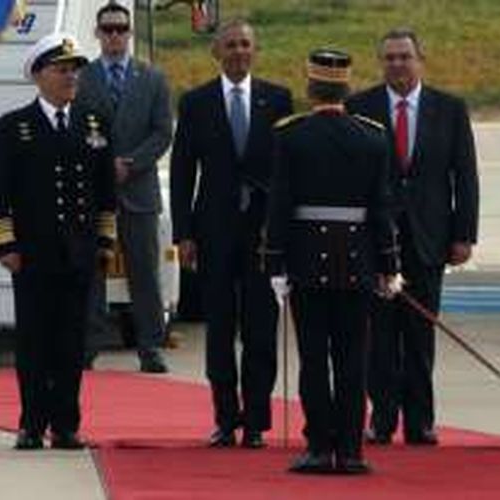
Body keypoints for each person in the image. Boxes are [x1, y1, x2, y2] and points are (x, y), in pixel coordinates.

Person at [265, 49, 400, 474]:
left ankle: (320, 446)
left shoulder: (290, 135)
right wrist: (389, 264)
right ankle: (352, 450)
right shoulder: (373, 136)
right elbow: (381, 207)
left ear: (310, 87)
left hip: (306, 259)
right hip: (357, 260)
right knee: (352, 359)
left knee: (313, 358)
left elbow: (280, 205)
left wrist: (274, 264)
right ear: (347, 89)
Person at [346, 28, 479, 446]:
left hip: (429, 240)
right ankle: (382, 419)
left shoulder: (449, 109)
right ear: (380, 63)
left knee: (420, 336)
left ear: (420, 60)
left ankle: (420, 421)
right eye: (389, 58)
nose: (397, 64)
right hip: (376, 242)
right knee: (379, 337)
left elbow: (465, 177)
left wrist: (464, 235)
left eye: (404, 57)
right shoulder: (359, 107)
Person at [0, 33, 116, 450]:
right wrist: (6, 247)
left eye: (75, 69)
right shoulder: (14, 127)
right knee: (34, 340)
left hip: (78, 253)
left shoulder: (93, 122)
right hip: (33, 254)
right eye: (62, 70)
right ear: (39, 74)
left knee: (71, 341)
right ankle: (31, 422)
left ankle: (65, 424)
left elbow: (105, 189)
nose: (71, 77)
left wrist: (105, 240)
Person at [170, 19, 293, 448]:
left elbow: (286, 172)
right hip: (214, 232)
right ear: (216, 53)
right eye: (231, 45)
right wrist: (183, 233)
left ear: (255, 51)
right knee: (219, 330)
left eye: (245, 45)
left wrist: (284, 231)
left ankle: (256, 420)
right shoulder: (196, 102)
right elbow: (183, 172)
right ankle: (225, 417)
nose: (239, 52)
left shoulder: (277, 99)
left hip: (263, 234)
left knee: (261, 328)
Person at [77, 1, 173, 373]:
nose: (115, 35)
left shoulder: (152, 78)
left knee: (145, 272)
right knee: (92, 270)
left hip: (139, 190)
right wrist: (104, 165)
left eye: (121, 29)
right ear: (98, 34)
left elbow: (163, 132)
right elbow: (76, 129)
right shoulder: (82, 79)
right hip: (96, 191)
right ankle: (89, 344)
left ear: (130, 34)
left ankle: (150, 345)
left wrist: (130, 163)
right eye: (108, 29)